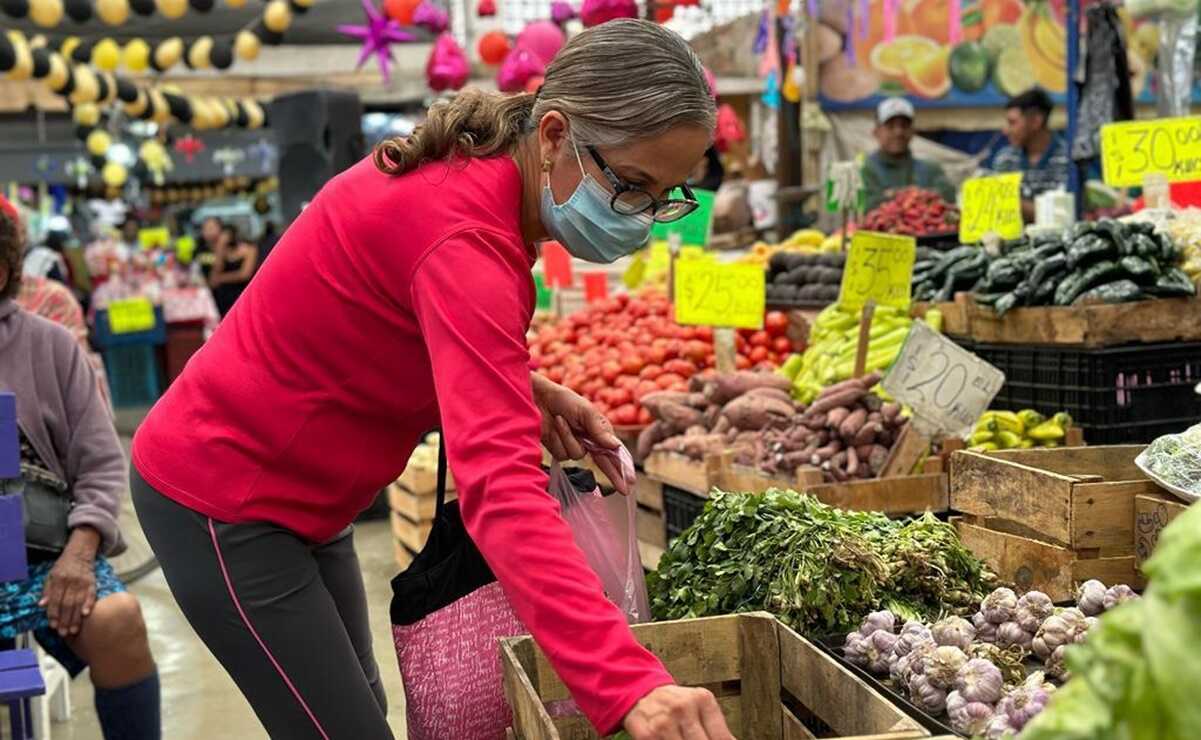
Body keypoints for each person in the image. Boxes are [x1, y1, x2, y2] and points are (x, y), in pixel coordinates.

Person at [130, 19, 732, 740]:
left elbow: (382, 317)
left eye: (664, 196)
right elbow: (500, 490)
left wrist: (525, 388)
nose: (641, 218)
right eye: (630, 186)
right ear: (551, 134)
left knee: (359, 715)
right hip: (224, 500)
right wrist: (628, 683)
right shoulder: (464, 235)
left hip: (310, 498)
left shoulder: (478, 183)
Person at [0, 200, 160, 740]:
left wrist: (79, 551)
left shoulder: (50, 346)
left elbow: (98, 462)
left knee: (118, 621)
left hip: (42, 553)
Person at [861, 97, 955, 210]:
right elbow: (865, 207)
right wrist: (920, 196)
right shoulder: (865, 169)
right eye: (890, 126)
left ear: (913, 131)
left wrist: (892, 195)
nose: (898, 132)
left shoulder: (931, 169)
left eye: (904, 126)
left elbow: (948, 198)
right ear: (876, 132)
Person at [993, 88, 1071, 221]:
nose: (1006, 131)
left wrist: (1015, 204)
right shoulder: (1005, 159)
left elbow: (1065, 214)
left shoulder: (1068, 160)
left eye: (1012, 123)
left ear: (1036, 122)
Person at [208, 224, 259, 317]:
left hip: (243, 295)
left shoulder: (249, 249)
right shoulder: (222, 252)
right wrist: (220, 248)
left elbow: (244, 275)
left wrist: (222, 278)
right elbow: (213, 279)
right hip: (226, 299)